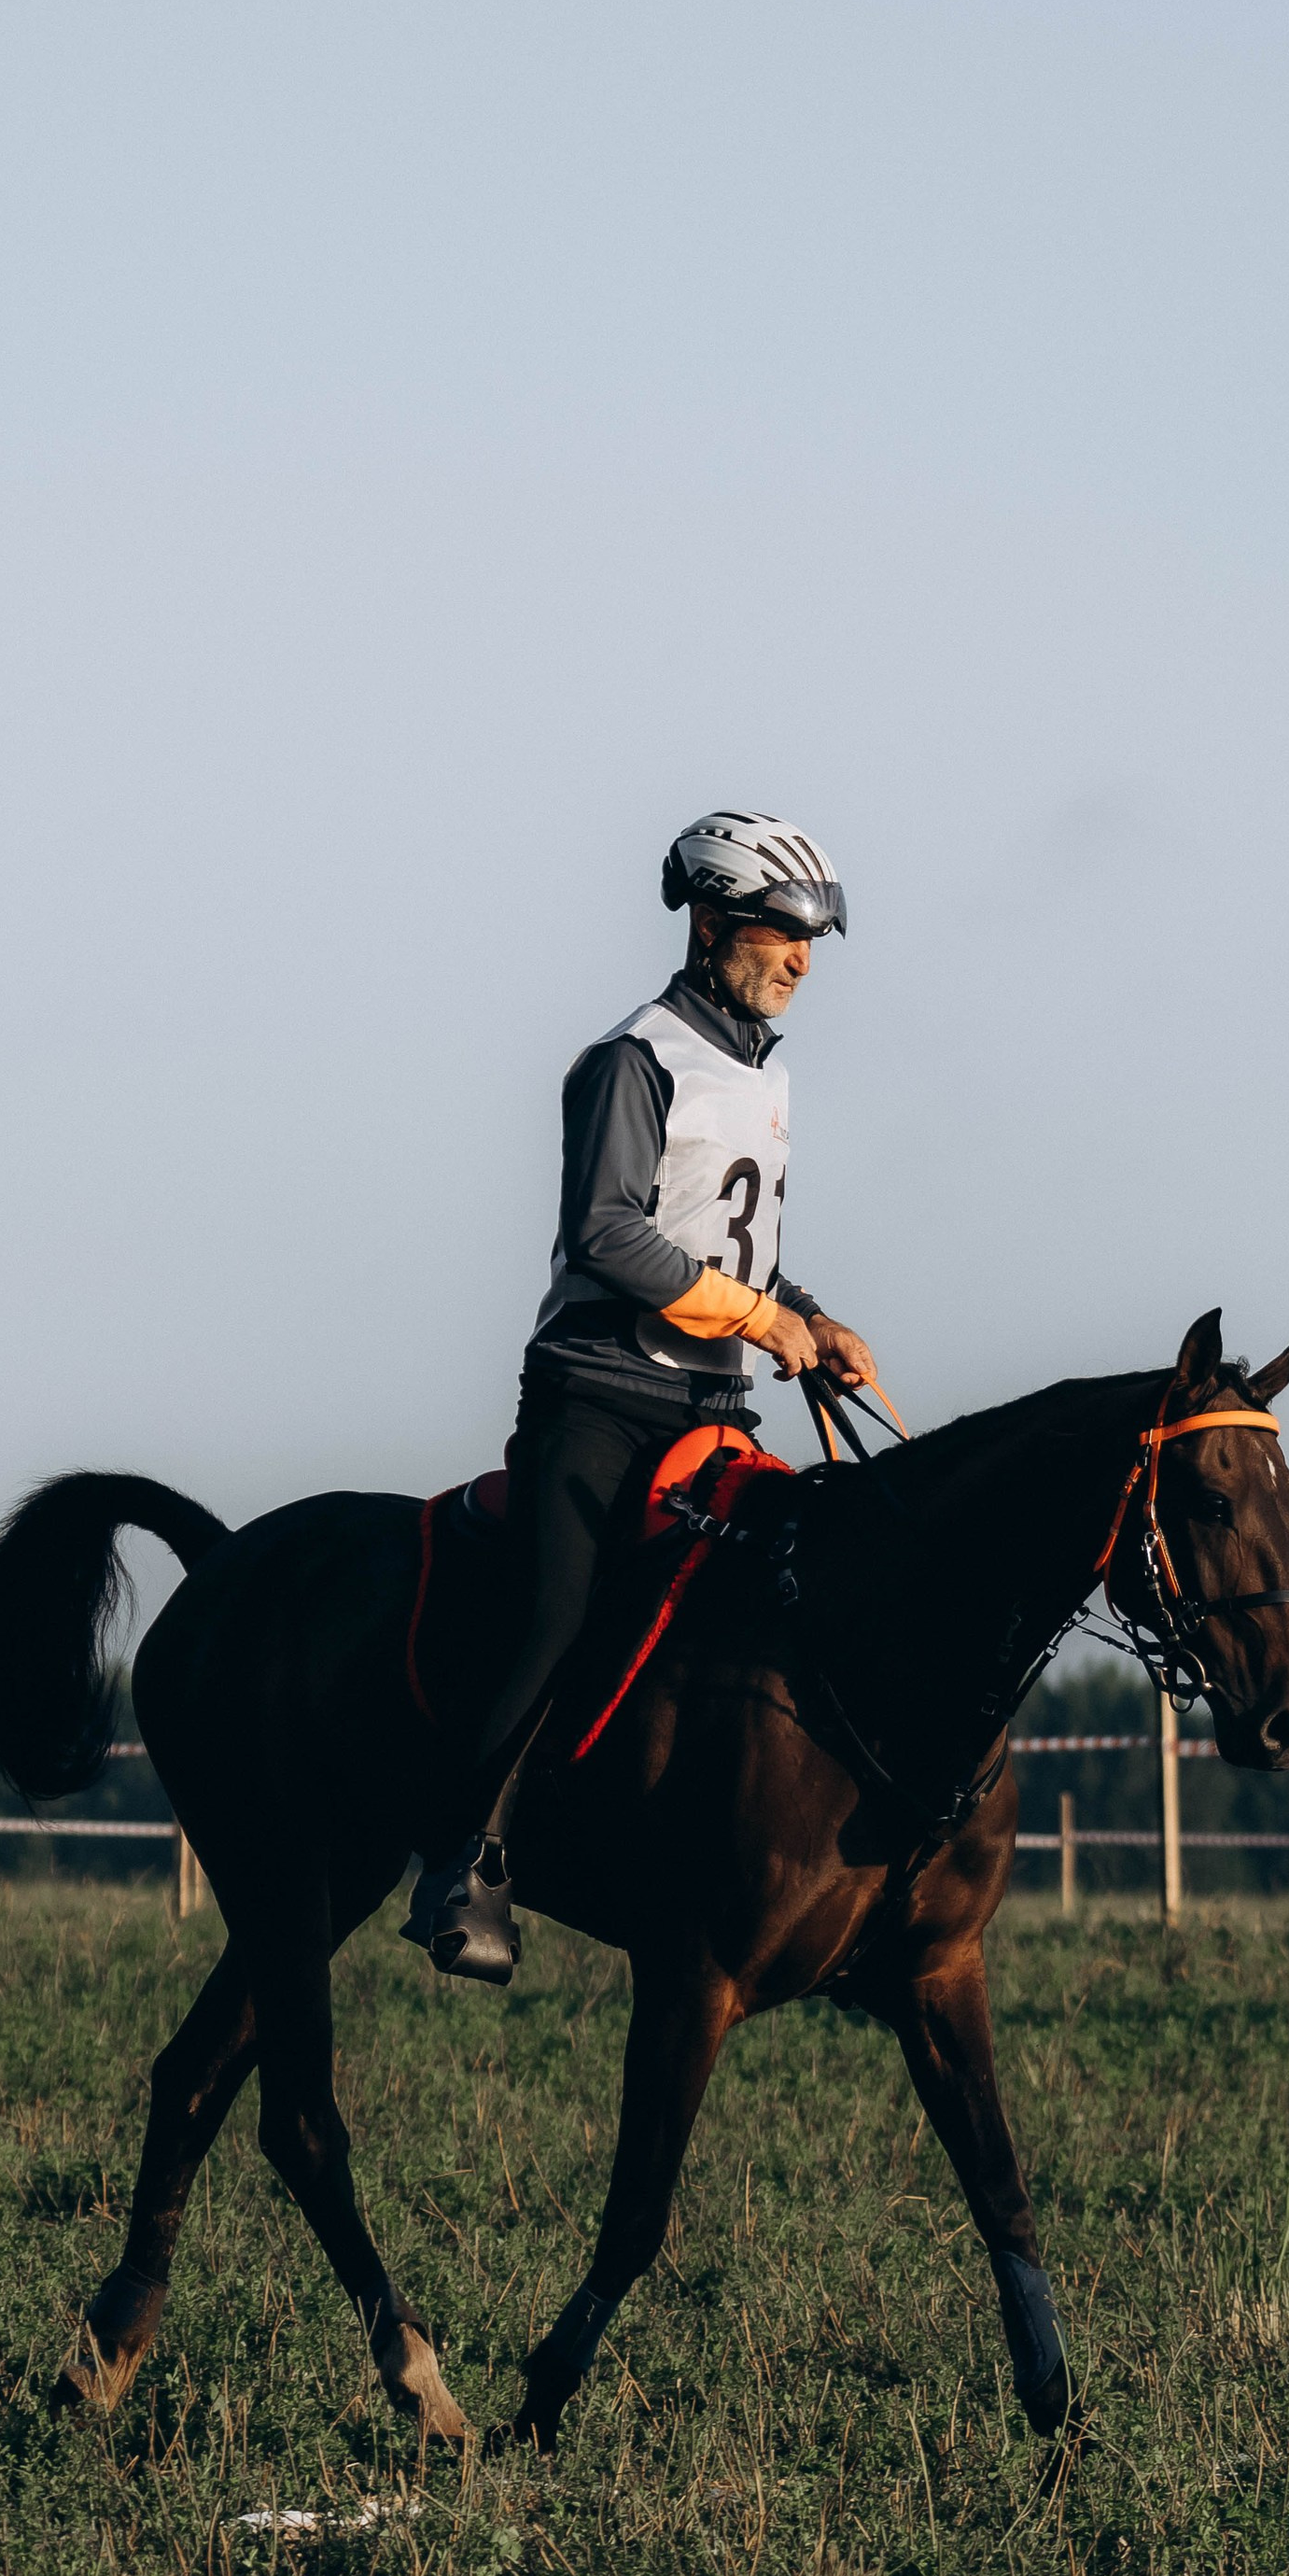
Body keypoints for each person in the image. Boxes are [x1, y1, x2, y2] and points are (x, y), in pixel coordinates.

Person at [405, 809, 880, 1984]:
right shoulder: (635, 1057)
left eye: (810, 939)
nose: (801, 959)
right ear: (713, 924)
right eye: (781, 932)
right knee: (561, 1611)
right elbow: (608, 1232)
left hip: (711, 1409)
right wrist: (758, 1317)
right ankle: (463, 1858)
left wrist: (806, 1318)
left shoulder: (761, 1075)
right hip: (598, 1399)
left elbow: (729, 1246)